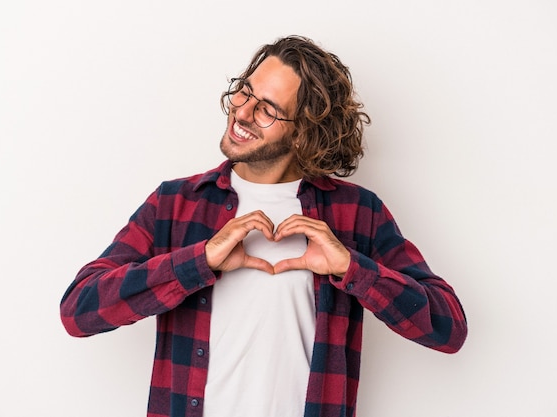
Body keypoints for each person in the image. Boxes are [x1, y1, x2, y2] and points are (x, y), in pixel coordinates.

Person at [60, 35, 467, 417]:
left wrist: (351, 269)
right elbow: (79, 311)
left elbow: (448, 329)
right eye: (246, 91)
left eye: (268, 108)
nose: (243, 112)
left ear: (305, 130)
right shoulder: (176, 202)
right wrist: (198, 262)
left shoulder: (356, 212)